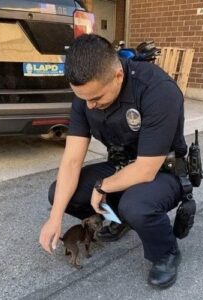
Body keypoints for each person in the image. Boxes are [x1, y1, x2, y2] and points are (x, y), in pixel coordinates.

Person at [39, 34, 188, 289]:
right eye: (84, 98)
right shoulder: (87, 96)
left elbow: (145, 169)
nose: (90, 106)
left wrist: (102, 186)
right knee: (61, 193)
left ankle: (166, 253)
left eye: (96, 98)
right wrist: (55, 218)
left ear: (118, 75)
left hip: (163, 170)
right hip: (121, 165)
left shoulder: (157, 90)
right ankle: (122, 219)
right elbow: (72, 161)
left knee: (137, 204)